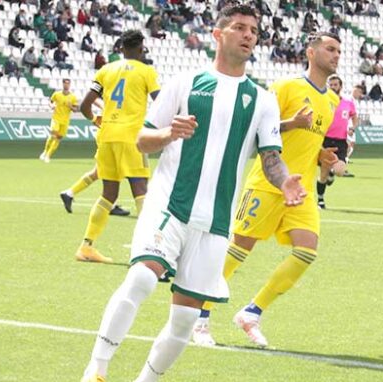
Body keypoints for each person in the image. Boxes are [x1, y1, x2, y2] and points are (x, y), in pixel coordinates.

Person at [79, 6, 305, 381]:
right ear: (218, 34)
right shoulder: (185, 83)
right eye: (239, 27)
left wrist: (284, 182)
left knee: (184, 319)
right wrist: (169, 133)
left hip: (215, 222)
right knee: (141, 279)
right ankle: (97, 370)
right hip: (170, 204)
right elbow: (142, 141)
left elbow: (272, 158)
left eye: (254, 30)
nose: (249, 35)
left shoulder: (263, 100)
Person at [192, 31, 341, 348]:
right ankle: (199, 316)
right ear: (311, 53)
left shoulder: (332, 100)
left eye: (339, 50)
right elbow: (260, 129)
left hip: (301, 190)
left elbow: (306, 142)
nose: (336, 55)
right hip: (268, 183)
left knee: (306, 252)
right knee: (238, 250)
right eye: (330, 49)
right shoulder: (286, 88)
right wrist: (292, 123)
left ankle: (251, 312)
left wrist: (320, 155)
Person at [70, 29, 160, 264]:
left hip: (107, 136)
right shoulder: (146, 71)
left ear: (121, 49)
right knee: (141, 190)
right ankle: (148, 251)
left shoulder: (105, 70)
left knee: (108, 193)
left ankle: (86, 246)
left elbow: (85, 106)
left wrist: (95, 120)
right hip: (132, 138)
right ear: (141, 49)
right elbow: (161, 102)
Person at [316, 74, 357, 209]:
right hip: (325, 139)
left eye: (335, 85)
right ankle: (320, 200)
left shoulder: (347, 102)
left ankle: (332, 173)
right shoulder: (322, 100)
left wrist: (352, 127)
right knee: (323, 171)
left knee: (340, 170)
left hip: (340, 141)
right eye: (331, 85)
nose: (333, 87)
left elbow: (354, 116)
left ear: (340, 86)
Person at [39, 78, 78, 163]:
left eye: (68, 83)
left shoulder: (73, 97)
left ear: (70, 85)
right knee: (53, 135)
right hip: (56, 118)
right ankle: (45, 151)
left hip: (65, 121)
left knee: (58, 138)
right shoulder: (57, 94)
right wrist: (51, 106)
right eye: (65, 83)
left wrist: (70, 106)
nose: (66, 85)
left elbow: (76, 110)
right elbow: (50, 101)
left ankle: (48, 155)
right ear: (63, 84)